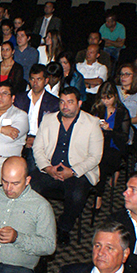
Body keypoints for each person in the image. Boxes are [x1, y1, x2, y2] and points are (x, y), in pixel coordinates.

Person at [31, 87, 104, 245]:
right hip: (50, 169)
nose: (65, 106)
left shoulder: (91, 123)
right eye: (62, 102)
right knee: (31, 186)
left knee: (77, 196)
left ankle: (64, 227)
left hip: (78, 171)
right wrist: (47, 168)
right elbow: (37, 148)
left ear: (79, 103)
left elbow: (95, 156)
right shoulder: (49, 119)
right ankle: (35, 225)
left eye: (70, 102)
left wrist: (73, 171)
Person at [91, 83, 132, 207]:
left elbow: (124, 137)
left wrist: (110, 130)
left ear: (115, 97)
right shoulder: (97, 109)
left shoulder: (122, 112)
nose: (106, 101)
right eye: (103, 98)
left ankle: (99, 195)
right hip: (97, 144)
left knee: (101, 162)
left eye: (109, 98)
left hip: (114, 146)